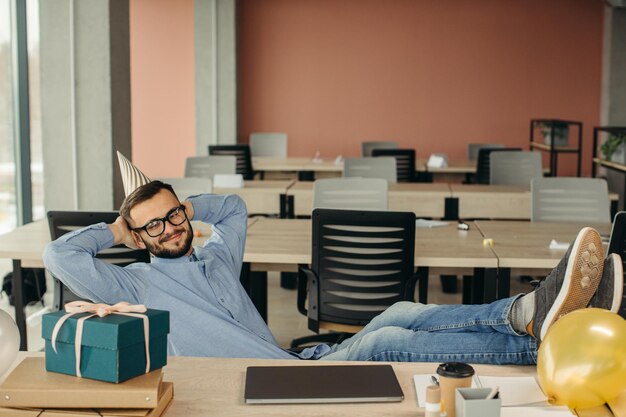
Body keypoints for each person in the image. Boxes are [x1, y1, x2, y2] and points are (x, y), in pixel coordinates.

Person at [43, 180, 623, 364]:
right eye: (155, 227)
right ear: (139, 238)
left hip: (299, 364)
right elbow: (59, 258)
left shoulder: (215, 255)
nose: (169, 229)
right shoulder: (133, 284)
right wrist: (120, 230)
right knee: (390, 341)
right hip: (267, 384)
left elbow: (234, 208)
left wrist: (185, 205)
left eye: (173, 217)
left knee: (398, 311)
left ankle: (526, 312)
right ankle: (542, 345)